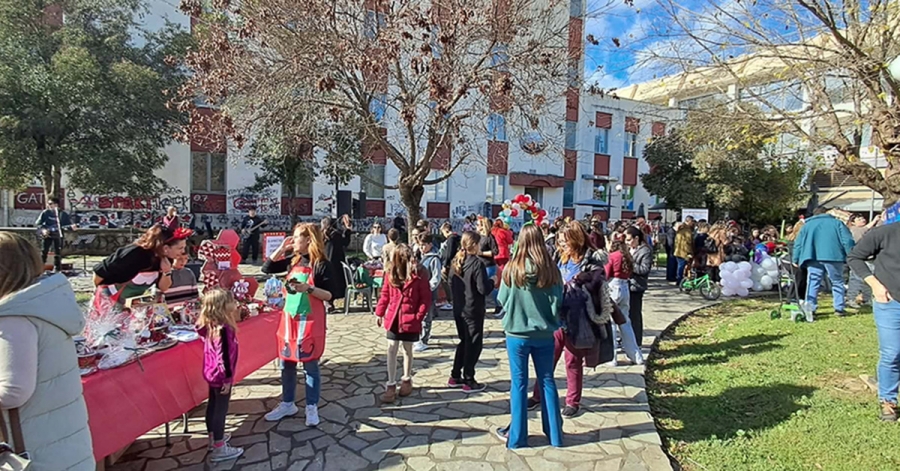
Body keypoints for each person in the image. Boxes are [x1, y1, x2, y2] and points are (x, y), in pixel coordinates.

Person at [0, 232, 93, 470]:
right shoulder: (40, 306)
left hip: (35, 452)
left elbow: (14, 390)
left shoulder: (14, 316)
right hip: (58, 444)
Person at [529, 222, 615, 417]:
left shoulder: (591, 262)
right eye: (560, 242)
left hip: (578, 319)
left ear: (576, 240)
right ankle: (537, 395)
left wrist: (580, 283)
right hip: (556, 317)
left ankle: (573, 401)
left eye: (565, 242)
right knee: (547, 358)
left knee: (572, 361)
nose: (561, 245)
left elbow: (597, 286)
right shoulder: (559, 257)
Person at [494, 224, 564, 449]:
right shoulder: (551, 269)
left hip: (516, 333)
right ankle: (555, 436)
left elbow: (501, 300)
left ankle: (517, 438)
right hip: (544, 333)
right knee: (547, 381)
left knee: (519, 384)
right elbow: (558, 301)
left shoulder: (512, 269)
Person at [262, 223, 338, 426]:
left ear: (308, 240)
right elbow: (267, 268)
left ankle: (311, 407)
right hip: (289, 320)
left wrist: (308, 288)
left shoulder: (322, 264)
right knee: (287, 363)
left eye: (296, 237)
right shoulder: (293, 261)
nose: (293, 240)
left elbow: (330, 295)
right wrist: (281, 248)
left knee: (310, 364)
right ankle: (288, 403)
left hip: (310, 321)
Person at [847, 220, 900, 421]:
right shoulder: (884, 233)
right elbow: (855, 257)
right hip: (890, 302)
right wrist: (875, 286)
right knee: (892, 353)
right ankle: (888, 401)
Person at [374, 244, 431, 403]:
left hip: (410, 319)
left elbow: (425, 299)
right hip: (393, 318)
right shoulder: (390, 273)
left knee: (407, 350)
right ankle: (391, 383)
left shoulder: (420, 275)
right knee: (391, 349)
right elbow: (385, 294)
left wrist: (417, 317)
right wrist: (379, 312)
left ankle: (406, 378)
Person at [92, 224, 193, 306]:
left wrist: (167, 271)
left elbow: (163, 287)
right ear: (166, 248)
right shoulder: (134, 254)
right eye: (180, 248)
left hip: (129, 303)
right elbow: (100, 272)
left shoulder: (167, 257)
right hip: (108, 299)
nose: (183, 251)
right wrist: (99, 295)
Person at [197, 289, 243, 462]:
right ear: (223, 306)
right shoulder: (223, 330)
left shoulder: (210, 325)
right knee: (220, 410)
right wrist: (227, 379)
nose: (235, 303)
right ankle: (219, 446)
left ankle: (212, 438)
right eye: (231, 301)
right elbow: (223, 357)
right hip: (220, 376)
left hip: (211, 373)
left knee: (213, 405)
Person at [449, 231, 496, 393]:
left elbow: (450, 283)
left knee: (464, 341)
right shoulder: (476, 264)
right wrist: (493, 281)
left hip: (459, 309)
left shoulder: (456, 261)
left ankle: (455, 375)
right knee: (474, 344)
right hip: (472, 309)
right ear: (474, 245)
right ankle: (469, 378)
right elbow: (483, 289)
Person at [791, 208, 856, 317]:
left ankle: (811, 308)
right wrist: (851, 254)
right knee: (837, 282)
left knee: (813, 282)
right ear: (827, 213)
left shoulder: (807, 225)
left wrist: (795, 258)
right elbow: (847, 240)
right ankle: (839, 308)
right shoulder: (837, 223)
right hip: (834, 256)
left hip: (812, 256)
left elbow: (798, 243)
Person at [605, 240, 644, 365]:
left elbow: (606, 273)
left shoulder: (612, 256)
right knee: (625, 322)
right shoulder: (627, 256)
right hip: (625, 286)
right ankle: (636, 355)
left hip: (613, 287)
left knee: (611, 323)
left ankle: (612, 357)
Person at [415, 234, 443, 352]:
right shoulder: (420, 257)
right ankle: (420, 337)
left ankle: (424, 339)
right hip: (419, 292)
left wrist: (428, 288)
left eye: (423, 245)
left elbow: (436, 277)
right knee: (420, 315)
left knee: (427, 317)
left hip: (429, 293)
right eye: (420, 245)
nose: (421, 248)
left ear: (430, 245)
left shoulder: (434, 259)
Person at [847, 214, 880, 308]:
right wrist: (874, 221)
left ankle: (866, 298)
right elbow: (864, 229)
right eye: (859, 219)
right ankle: (851, 298)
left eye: (862, 218)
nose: (862, 220)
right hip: (859, 259)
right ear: (853, 222)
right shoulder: (854, 230)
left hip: (870, 258)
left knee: (869, 280)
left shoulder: (869, 230)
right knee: (856, 279)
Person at [626, 226, 651, 347]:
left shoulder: (645, 251)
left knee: (634, 315)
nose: (627, 243)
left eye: (629, 240)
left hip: (636, 286)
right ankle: (628, 338)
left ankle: (637, 340)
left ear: (636, 238)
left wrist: (630, 264)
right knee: (626, 314)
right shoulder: (628, 249)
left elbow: (644, 269)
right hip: (626, 284)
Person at [35, 197, 76, 272]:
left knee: (58, 252)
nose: (49, 205)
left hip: (58, 235)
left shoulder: (62, 214)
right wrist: (43, 230)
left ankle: (57, 268)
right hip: (47, 235)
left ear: (56, 205)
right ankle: (40, 268)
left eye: (51, 204)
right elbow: (38, 224)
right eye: (48, 204)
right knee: (44, 251)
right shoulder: (45, 213)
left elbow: (67, 225)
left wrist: (72, 227)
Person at [321, 215, 351, 305]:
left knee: (326, 282)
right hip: (336, 262)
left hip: (324, 261)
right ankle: (331, 301)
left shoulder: (321, 235)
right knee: (335, 282)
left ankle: (328, 302)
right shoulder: (336, 235)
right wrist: (348, 229)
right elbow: (345, 242)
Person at [476, 217, 500, 311]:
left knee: (491, 286)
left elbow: (495, 251)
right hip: (479, 264)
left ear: (483, 226)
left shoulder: (489, 237)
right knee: (480, 286)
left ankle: (499, 304)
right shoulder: (478, 237)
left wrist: (482, 253)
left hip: (488, 265)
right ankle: (482, 306)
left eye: (478, 225)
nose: (476, 226)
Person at [438, 222, 461, 310]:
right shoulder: (455, 238)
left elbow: (449, 253)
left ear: (446, 230)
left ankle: (450, 301)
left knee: (446, 281)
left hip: (450, 264)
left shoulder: (451, 239)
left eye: (442, 232)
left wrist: (445, 265)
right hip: (452, 264)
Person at [674, 217, 695, 286]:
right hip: (684, 252)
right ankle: (680, 281)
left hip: (678, 251)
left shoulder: (680, 229)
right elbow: (688, 242)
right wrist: (690, 252)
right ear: (689, 221)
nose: (693, 223)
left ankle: (679, 280)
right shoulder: (687, 230)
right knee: (683, 267)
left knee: (680, 266)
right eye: (692, 221)